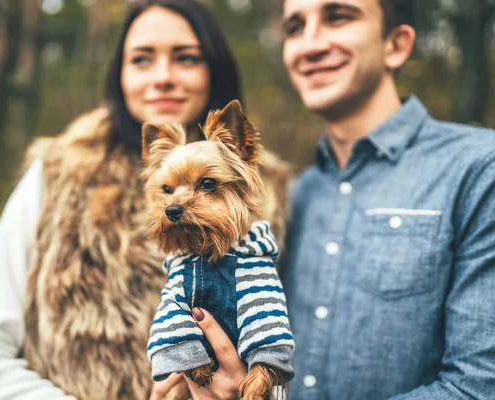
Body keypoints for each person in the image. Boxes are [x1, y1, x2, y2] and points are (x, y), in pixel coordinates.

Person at [0, 1, 291, 399]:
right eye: (141, 59)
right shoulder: (57, 177)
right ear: (119, 75)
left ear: (216, 70)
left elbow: (289, 349)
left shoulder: (274, 195)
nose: (163, 77)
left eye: (186, 58)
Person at [156, 0, 495, 399]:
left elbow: (477, 386)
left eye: (338, 16)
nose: (310, 44)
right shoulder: (295, 194)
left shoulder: (477, 167)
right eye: (295, 27)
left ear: (397, 44)